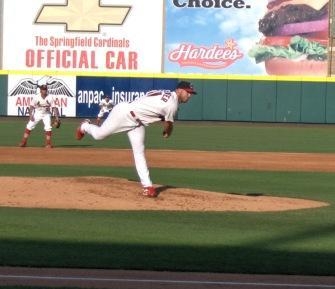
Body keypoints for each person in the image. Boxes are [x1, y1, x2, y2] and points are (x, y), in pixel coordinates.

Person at [76, 81, 197, 197]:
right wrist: (167, 132)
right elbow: (168, 125)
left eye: (191, 93)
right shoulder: (172, 104)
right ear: (179, 90)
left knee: (139, 151)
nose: (190, 95)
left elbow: (149, 96)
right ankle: (84, 126)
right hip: (124, 114)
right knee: (99, 135)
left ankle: (148, 187)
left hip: (137, 122)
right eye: (188, 92)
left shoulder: (165, 93)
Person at [19, 84, 60, 148]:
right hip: (38, 113)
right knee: (29, 125)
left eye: (45, 89)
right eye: (43, 89)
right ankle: (23, 142)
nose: (44, 91)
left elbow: (54, 108)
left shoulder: (50, 97)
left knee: (48, 127)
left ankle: (48, 144)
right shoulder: (36, 97)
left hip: (46, 114)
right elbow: (31, 106)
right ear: (40, 90)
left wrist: (57, 117)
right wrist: (30, 115)